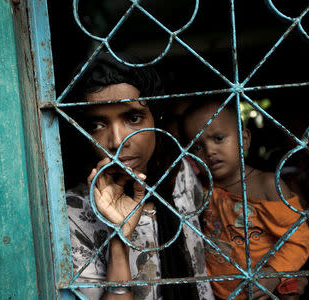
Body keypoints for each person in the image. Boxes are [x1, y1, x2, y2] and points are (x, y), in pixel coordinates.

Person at [63, 52, 215, 300]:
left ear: (157, 118)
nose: (117, 141)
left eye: (133, 118)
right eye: (97, 125)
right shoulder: (73, 213)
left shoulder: (180, 175)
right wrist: (118, 239)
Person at [181, 99, 309, 300]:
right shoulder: (200, 188)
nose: (209, 151)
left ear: (244, 139)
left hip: (265, 290)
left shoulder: (267, 185)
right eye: (197, 147)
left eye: (218, 138)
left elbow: (298, 238)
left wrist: (274, 274)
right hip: (218, 293)